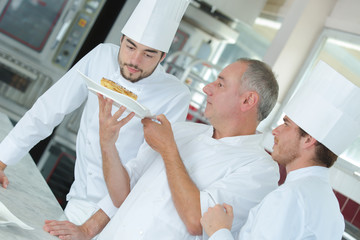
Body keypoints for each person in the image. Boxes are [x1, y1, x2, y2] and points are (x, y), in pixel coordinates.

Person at [0, 0, 191, 238]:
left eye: (148, 54)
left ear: (162, 56)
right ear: (121, 39)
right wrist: (2, 159)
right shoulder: (101, 56)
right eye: (130, 47)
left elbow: (144, 170)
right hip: (78, 197)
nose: (134, 61)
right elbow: (49, 109)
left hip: (120, 218)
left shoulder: (174, 95)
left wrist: (89, 228)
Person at [95, 58, 280, 239]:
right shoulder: (181, 131)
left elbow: (197, 221)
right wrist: (107, 143)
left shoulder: (260, 169)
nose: (207, 88)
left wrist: (168, 149)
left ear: (248, 101)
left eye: (220, 84)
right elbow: (120, 195)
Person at [200, 60, 360, 240]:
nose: (276, 131)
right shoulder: (331, 209)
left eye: (286, 124)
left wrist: (219, 230)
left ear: (308, 139)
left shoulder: (289, 197)